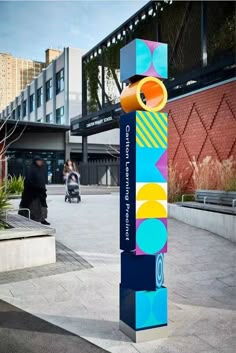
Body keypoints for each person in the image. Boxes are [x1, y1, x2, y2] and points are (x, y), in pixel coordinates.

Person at [19, 156, 50, 225]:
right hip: (32, 192)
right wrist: (36, 187)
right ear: (35, 162)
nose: (40, 162)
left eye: (40, 161)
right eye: (38, 161)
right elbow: (28, 181)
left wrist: (42, 188)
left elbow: (43, 179)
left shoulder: (42, 169)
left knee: (42, 205)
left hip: (41, 191)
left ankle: (42, 219)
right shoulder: (31, 169)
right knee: (33, 206)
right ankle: (31, 220)